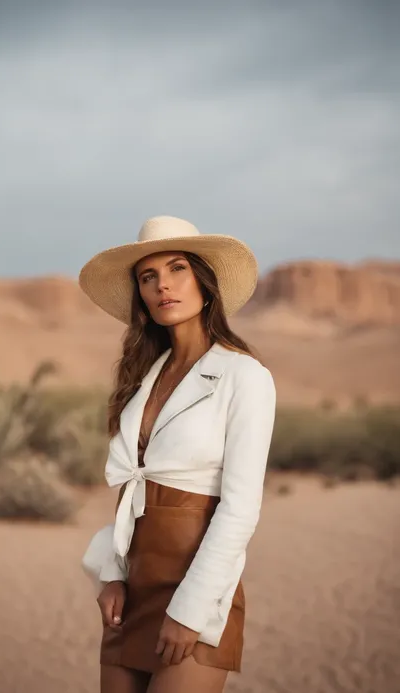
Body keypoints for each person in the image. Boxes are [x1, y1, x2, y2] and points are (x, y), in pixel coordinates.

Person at [79, 215, 276, 693]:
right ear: (141, 294)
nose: (163, 285)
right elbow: (132, 489)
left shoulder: (243, 377)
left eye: (177, 269)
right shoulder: (141, 379)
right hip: (131, 589)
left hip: (199, 588)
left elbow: (240, 508)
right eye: (149, 277)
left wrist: (190, 611)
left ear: (205, 283)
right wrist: (111, 574)